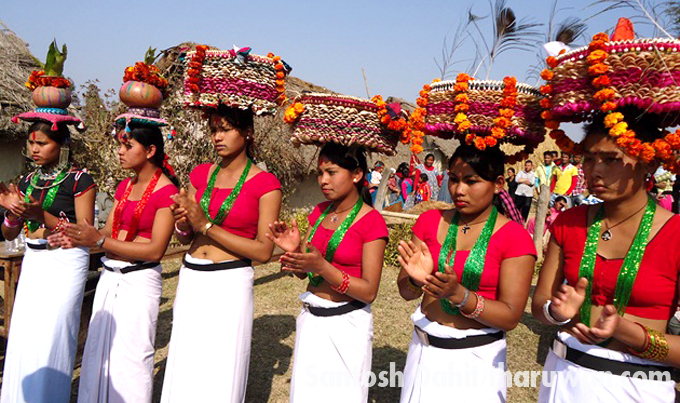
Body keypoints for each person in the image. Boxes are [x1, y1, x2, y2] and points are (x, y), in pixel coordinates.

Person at [533, 27, 680, 402]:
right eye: (588, 159)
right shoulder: (569, 222)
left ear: (649, 163)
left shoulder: (676, 234)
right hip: (563, 376)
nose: (595, 171)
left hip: (637, 386)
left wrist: (634, 335)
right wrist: (556, 311)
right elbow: (540, 307)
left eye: (612, 160)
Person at [401, 73, 543, 402]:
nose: (459, 190)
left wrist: (459, 295)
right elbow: (405, 292)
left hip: (475, 362)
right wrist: (415, 280)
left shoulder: (514, 238)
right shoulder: (429, 220)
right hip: (423, 352)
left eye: (472, 180)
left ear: (497, 184)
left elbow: (510, 316)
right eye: (453, 179)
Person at [160, 47, 286, 402]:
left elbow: (263, 252)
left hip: (229, 283)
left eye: (226, 129)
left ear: (246, 133)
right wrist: (184, 223)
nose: (217, 136)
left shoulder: (266, 184)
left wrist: (207, 224)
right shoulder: (200, 174)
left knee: (219, 372)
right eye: (214, 129)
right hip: (191, 275)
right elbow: (188, 232)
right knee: (185, 365)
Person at [51, 60, 178, 403]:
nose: (120, 152)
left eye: (128, 146)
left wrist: (102, 241)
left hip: (139, 282)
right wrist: (77, 236)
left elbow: (154, 250)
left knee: (132, 361)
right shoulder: (124, 187)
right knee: (99, 357)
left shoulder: (168, 192)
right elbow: (106, 232)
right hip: (111, 276)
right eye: (120, 145)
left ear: (150, 150)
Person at [280, 92, 395, 402]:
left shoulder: (371, 223)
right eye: (320, 173)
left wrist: (322, 267)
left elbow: (369, 290)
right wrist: (293, 257)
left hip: (347, 325)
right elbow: (309, 272)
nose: (323, 180)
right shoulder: (318, 212)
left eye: (332, 172)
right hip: (312, 320)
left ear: (357, 175)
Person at [0, 49, 96, 403]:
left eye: (43, 143)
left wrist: (42, 215)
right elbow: (9, 234)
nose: (34, 148)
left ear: (62, 145)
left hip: (65, 264)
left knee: (53, 338)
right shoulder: (26, 180)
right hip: (35, 261)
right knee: (26, 338)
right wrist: (12, 213)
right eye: (31, 142)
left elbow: (85, 232)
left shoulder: (79, 180)